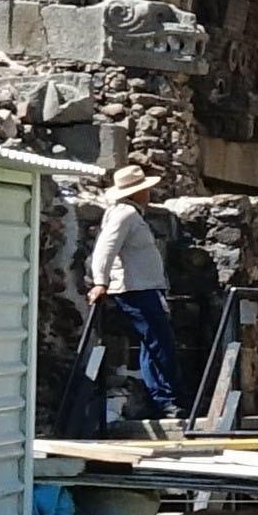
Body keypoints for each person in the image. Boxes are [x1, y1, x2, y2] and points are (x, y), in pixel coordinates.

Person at [87, 171, 192, 426]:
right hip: (137, 289)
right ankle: (167, 400)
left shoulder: (129, 214)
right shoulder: (125, 214)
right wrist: (100, 281)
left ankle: (163, 399)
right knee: (159, 342)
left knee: (152, 344)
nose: (148, 193)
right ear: (135, 192)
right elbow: (105, 248)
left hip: (145, 287)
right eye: (145, 189)